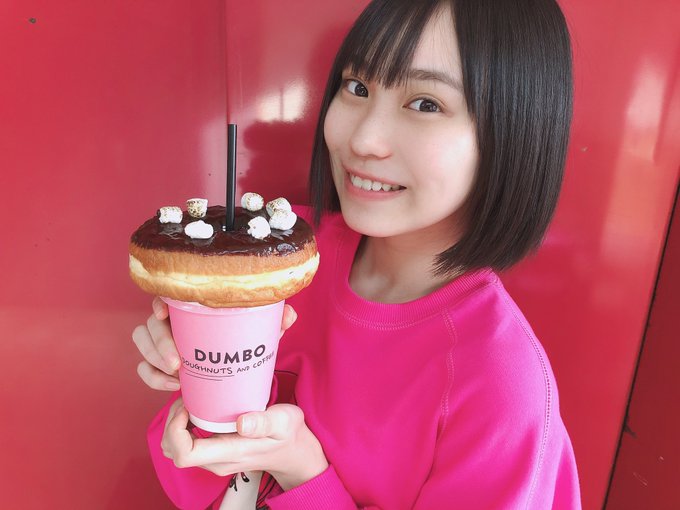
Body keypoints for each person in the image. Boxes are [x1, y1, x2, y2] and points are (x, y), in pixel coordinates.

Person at [132, 0, 581, 508]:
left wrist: (302, 472)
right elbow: (191, 486)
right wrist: (202, 392)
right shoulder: (281, 259)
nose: (364, 139)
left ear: (516, 133)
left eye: (426, 104)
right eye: (358, 87)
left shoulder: (499, 385)